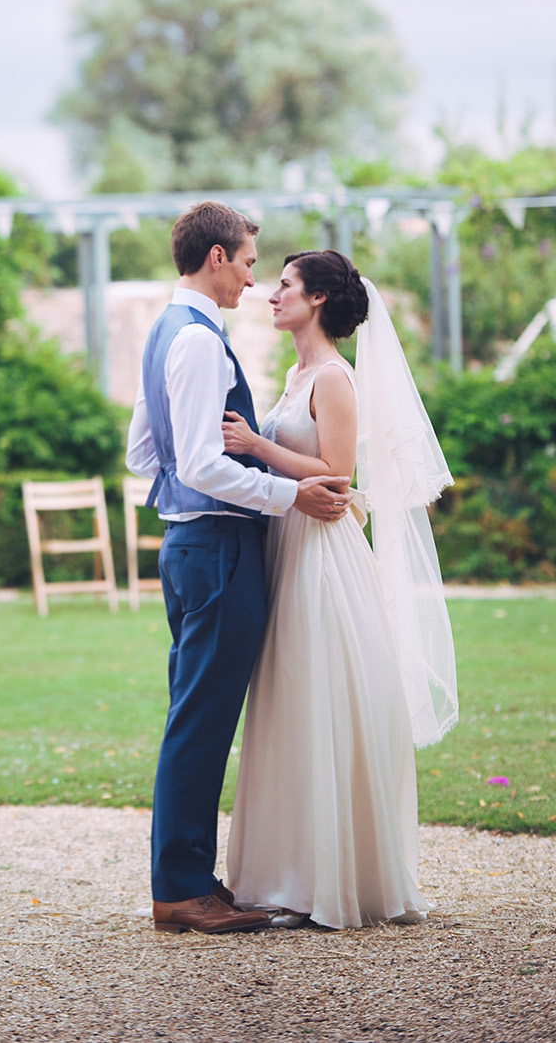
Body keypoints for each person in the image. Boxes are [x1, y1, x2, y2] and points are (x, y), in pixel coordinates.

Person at [125, 204, 353, 935]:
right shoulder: (197, 341)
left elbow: (144, 454)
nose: (254, 278)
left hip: (190, 546)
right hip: (218, 548)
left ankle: (191, 879)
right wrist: (288, 494)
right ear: (218, 256)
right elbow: (195, 461)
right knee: (200, 722)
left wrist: (198, 490)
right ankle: (182, 889)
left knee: (197, 715)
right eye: (251, 262)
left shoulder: (168, 332)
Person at [221, 249, 459, 930]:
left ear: (319, 298)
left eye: (287, 284)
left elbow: (337, 473)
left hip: (323, 557)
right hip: (289, 548)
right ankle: (285, 873)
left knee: (317, 693)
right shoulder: (297, 374)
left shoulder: (334, 377)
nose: (272, 293)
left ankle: (331, 878)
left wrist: (258, 448)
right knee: (290, 701)